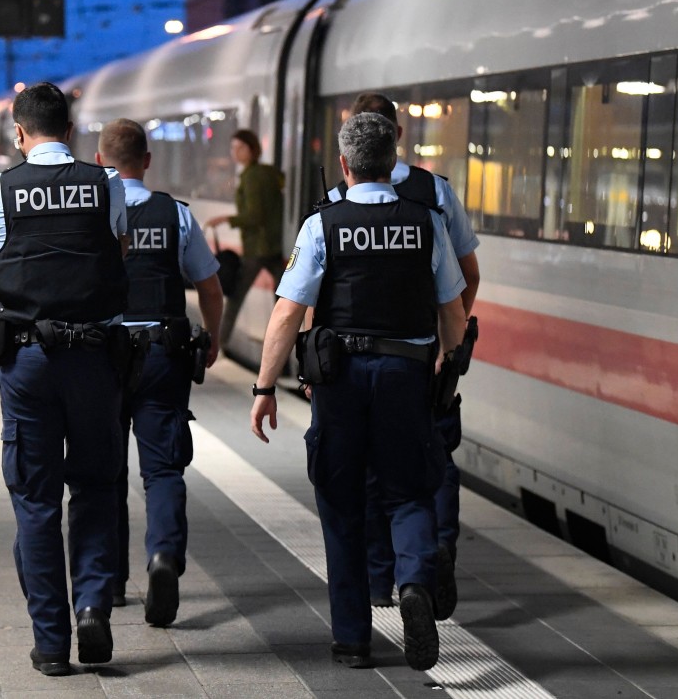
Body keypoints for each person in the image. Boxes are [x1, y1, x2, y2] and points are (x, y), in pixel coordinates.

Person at [250, 111, 467, 671]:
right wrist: (446, 363)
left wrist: (264, 385)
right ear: (394, 162)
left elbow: (286, 313)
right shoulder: (426, 221)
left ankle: (352, 639)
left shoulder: (323, 224)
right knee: (409, 489)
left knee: (342, 503)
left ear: (344, 166)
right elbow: (453, 311)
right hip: (406, 374)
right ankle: (414, 581)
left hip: (340, 380)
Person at [0, 82, 132, 677]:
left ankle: (51, 642)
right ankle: (94, 602)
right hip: (95, 358)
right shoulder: (108, 185)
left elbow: (2, 251)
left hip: (28, 362)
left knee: (36, 500)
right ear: (71, 130)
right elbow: (116, 251)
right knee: (95, 485)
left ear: (19, 132)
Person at [329, 92, 481, 620]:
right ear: (397, 140)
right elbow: (466, 278)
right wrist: (448, 349)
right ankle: (435, 556)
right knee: (429, 463)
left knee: (371, 474)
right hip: (421, 358)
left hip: (353, 364)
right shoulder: (434, 193)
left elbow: (311, 296)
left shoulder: (336, 200)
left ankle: (378, 582)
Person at [96, 118, 223, 627]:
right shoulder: (177, 216)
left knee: (104, 473)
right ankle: (164, 556)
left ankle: (109, 582)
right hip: (163, 354)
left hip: (104, 355)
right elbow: (210, 287)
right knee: (163, 469)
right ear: (146, 161)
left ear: (101, 162)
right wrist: (210, 337)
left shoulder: (95, 215)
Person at [204, 129, 284, 345]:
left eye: (240, 148)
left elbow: (254, 215)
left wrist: (226, 219)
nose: (235, 153)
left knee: (235, 297)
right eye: (232, 148)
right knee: (283, 302)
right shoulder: (268, 172)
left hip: (257, 248)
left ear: (252, 149)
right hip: (274, 246)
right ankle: (285, 351)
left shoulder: (251, 176)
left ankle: (217, 344)